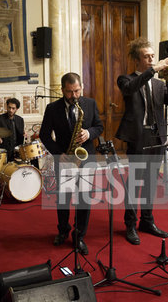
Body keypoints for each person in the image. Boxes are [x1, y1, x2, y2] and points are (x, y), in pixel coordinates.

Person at [115, 37, 168, 245]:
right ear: (137, 60)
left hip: (156, 136)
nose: (152, 59)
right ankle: (130, 225)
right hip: (138, 137)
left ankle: (147, 221)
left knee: (151, 183)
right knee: (135, 183)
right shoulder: (125, 80)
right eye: (147, 57)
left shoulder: (159, 84)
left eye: (153, 56)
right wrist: (153, 70)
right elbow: (131, 88)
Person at [39, 72, 103, 255]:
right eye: (69, 92)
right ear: (62, 90)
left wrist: (88, 133)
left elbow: (99, 126)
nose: (74, 96)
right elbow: (45, 135)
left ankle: (79, 236)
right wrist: (59, 154)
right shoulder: (52, 108)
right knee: (63, 199)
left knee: (84, 199)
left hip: (85, 158)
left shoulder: (90, 104)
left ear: (81, 87)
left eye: (77, 91)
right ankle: (63, 231)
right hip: (65, 158)